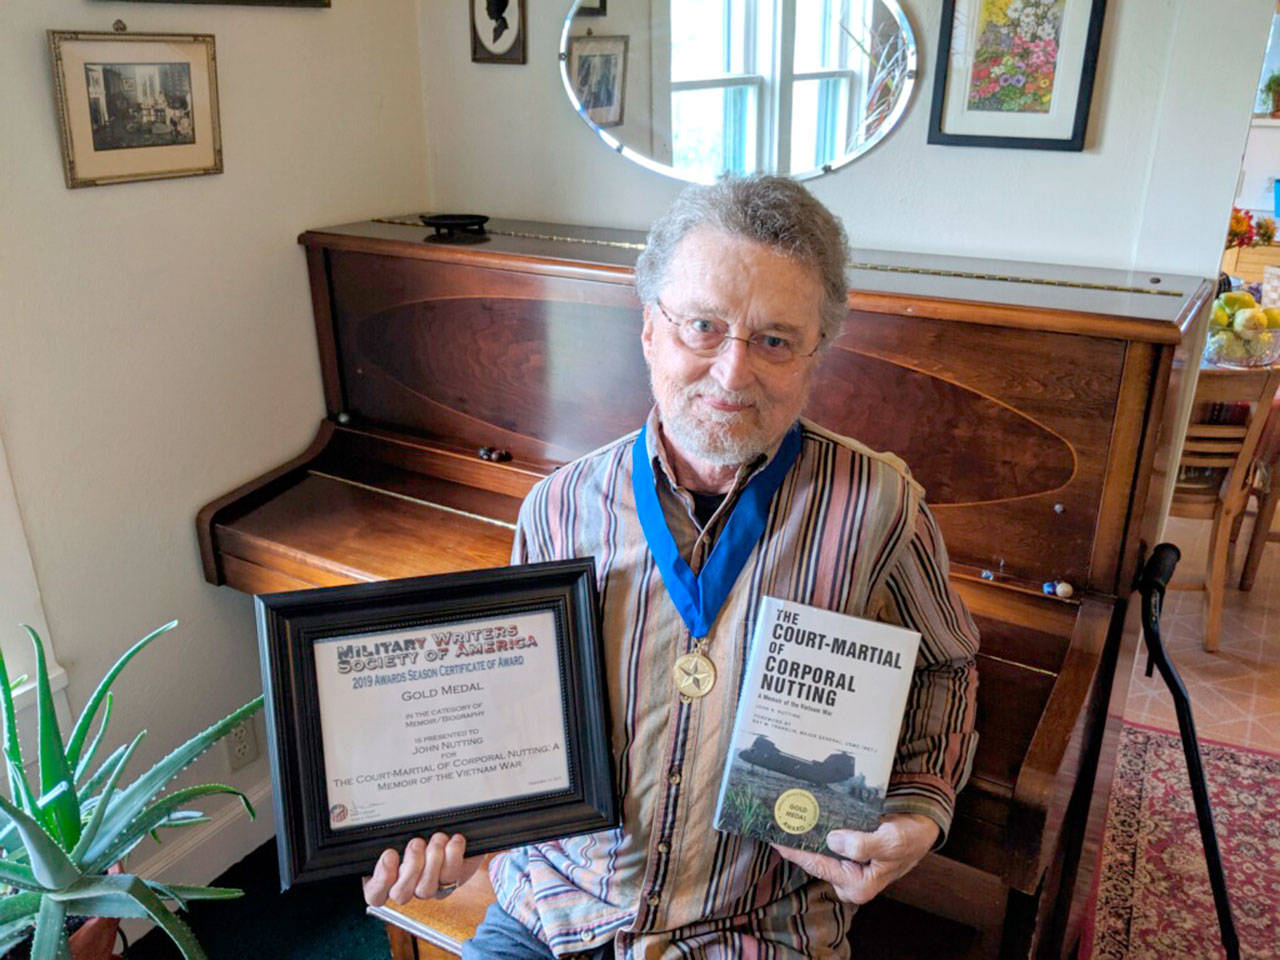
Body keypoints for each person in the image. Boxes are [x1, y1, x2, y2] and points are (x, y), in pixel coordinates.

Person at [363, 175, 980, 959]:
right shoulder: (556, 509)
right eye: (703, 326)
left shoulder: (878, 507)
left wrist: (920, 810)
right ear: (650, 330)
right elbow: (506, 715)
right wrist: (449, 823)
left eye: (775, 340)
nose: (732, 373)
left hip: (752, 929)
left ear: (815, 355)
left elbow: (946, 668)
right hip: (552, 912)